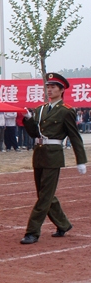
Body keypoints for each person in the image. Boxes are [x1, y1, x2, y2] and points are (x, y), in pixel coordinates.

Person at [20, 73, 87, 245]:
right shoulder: (40, 109)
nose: (49, 90)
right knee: (44, 194)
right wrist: (28, 119)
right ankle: (63, 224)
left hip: (53, 155)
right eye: (48, 87)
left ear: (62, 90)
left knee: (44, 196)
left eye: (53, 87)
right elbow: (34, 133)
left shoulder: (66, 111)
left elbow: (74, 136)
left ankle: (32, 231)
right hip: (39, 153)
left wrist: (80, 160)